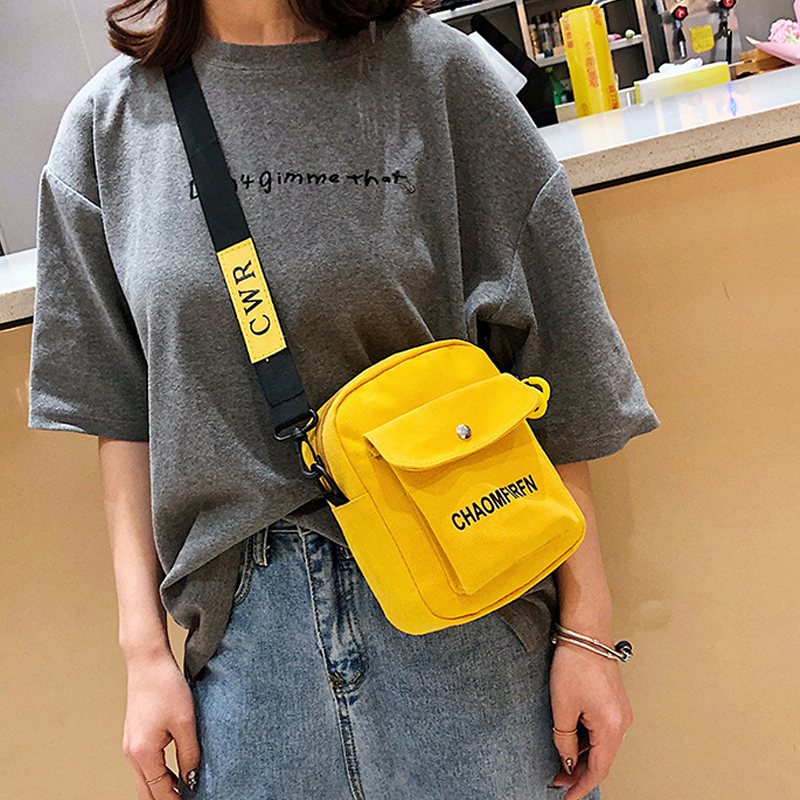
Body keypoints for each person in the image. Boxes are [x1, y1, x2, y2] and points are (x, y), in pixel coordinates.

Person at [27, 0, 660, 797]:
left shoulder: (437, 75)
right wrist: (143, 656)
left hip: (468, 618)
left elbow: (558, 371)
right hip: (249, 653)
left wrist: (588, 632)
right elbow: (123, 414)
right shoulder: (107, 128)